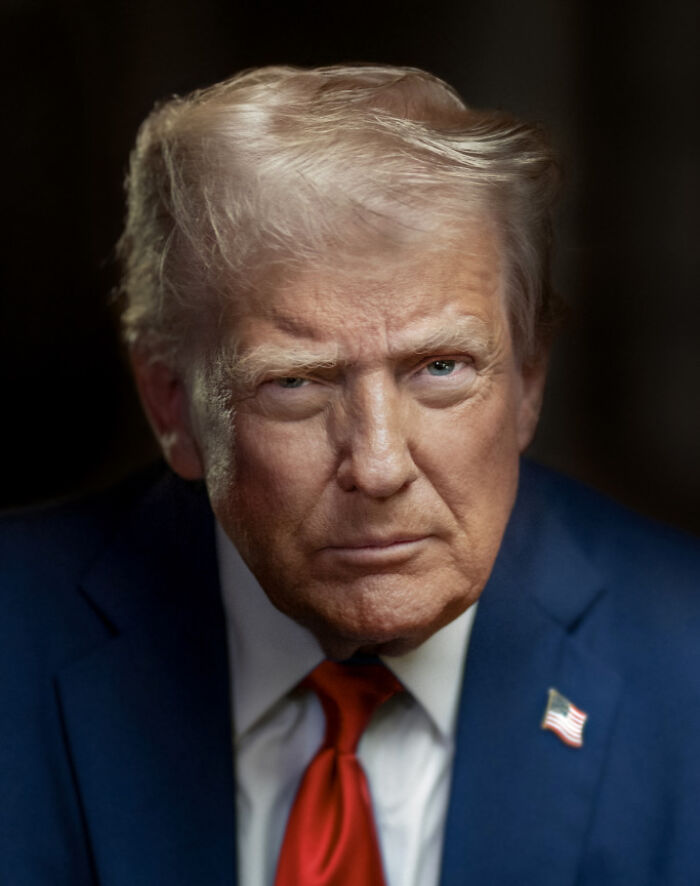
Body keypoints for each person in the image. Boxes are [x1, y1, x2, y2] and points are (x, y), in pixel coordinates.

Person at [2, 64, 699, 886]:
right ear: (172, 405)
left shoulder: (682, 657)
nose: (377, 466)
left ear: (528, 382)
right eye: (295, 384)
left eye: (440, 368)